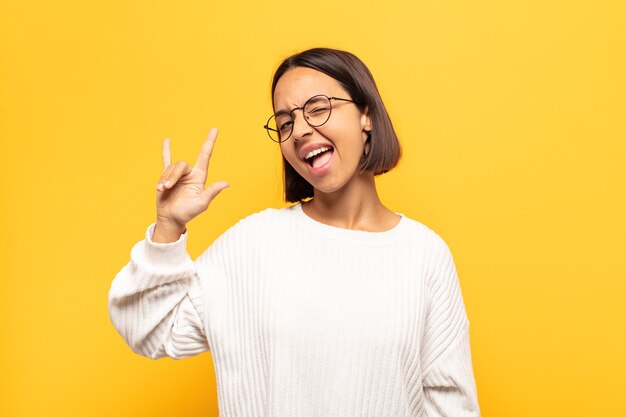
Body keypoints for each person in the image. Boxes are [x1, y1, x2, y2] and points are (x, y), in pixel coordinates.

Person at [108, 47, 481, 417]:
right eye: (285, 122)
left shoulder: (423, 255)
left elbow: (450, 405)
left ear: (366, 115)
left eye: (318, 108)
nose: (300, 130)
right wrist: (169, 226)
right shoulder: (254, 245)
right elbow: (152, 329)